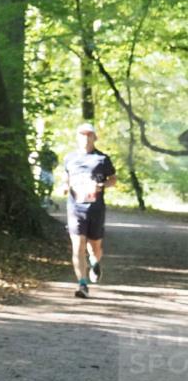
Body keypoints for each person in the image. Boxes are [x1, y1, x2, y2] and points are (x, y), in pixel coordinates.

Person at [62, 123, 117, 299]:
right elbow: (67, 178)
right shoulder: (69, 158)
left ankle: (95, 262)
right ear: (77, 137)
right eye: (82, 134)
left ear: (95, 138)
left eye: (89, 135)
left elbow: (113, 180)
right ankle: (82, 284)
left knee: (95, 248)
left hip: (95, 208)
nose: (85, 138)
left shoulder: (102, 159)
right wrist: (65, 186)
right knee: (77, 246)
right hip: (75, 208)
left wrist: (102, 185)